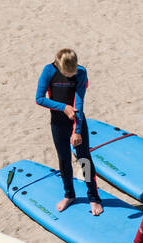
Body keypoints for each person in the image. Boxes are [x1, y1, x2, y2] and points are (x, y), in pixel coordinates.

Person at [35, 48, 103, 215]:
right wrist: (63, 107)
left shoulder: (81, 72)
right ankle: (69, 195)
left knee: (84, 159)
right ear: (59, 65)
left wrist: (77, 131)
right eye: (68, 73)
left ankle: (93, 197)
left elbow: (79, 102)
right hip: (58, 123)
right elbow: (39, 98)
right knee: (64, 159)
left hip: (77, 122)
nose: (72, 75)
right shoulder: (49, 71)